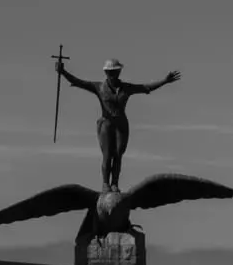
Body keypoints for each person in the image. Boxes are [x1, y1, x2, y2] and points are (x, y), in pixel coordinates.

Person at [56, 57, 183, 193]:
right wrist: (63, 72)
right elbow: (78, 82)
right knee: (107, 155)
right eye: (110, 72)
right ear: (106, 73)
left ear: (119, 72)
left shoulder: (126, 88)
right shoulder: (99, 87)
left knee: (118, 154)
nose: (112, 74)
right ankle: (105, 184)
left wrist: (164, 81)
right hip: (106, 124)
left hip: (121, 125)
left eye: (115, 71)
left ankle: (114, 183)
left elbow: (146, 87)